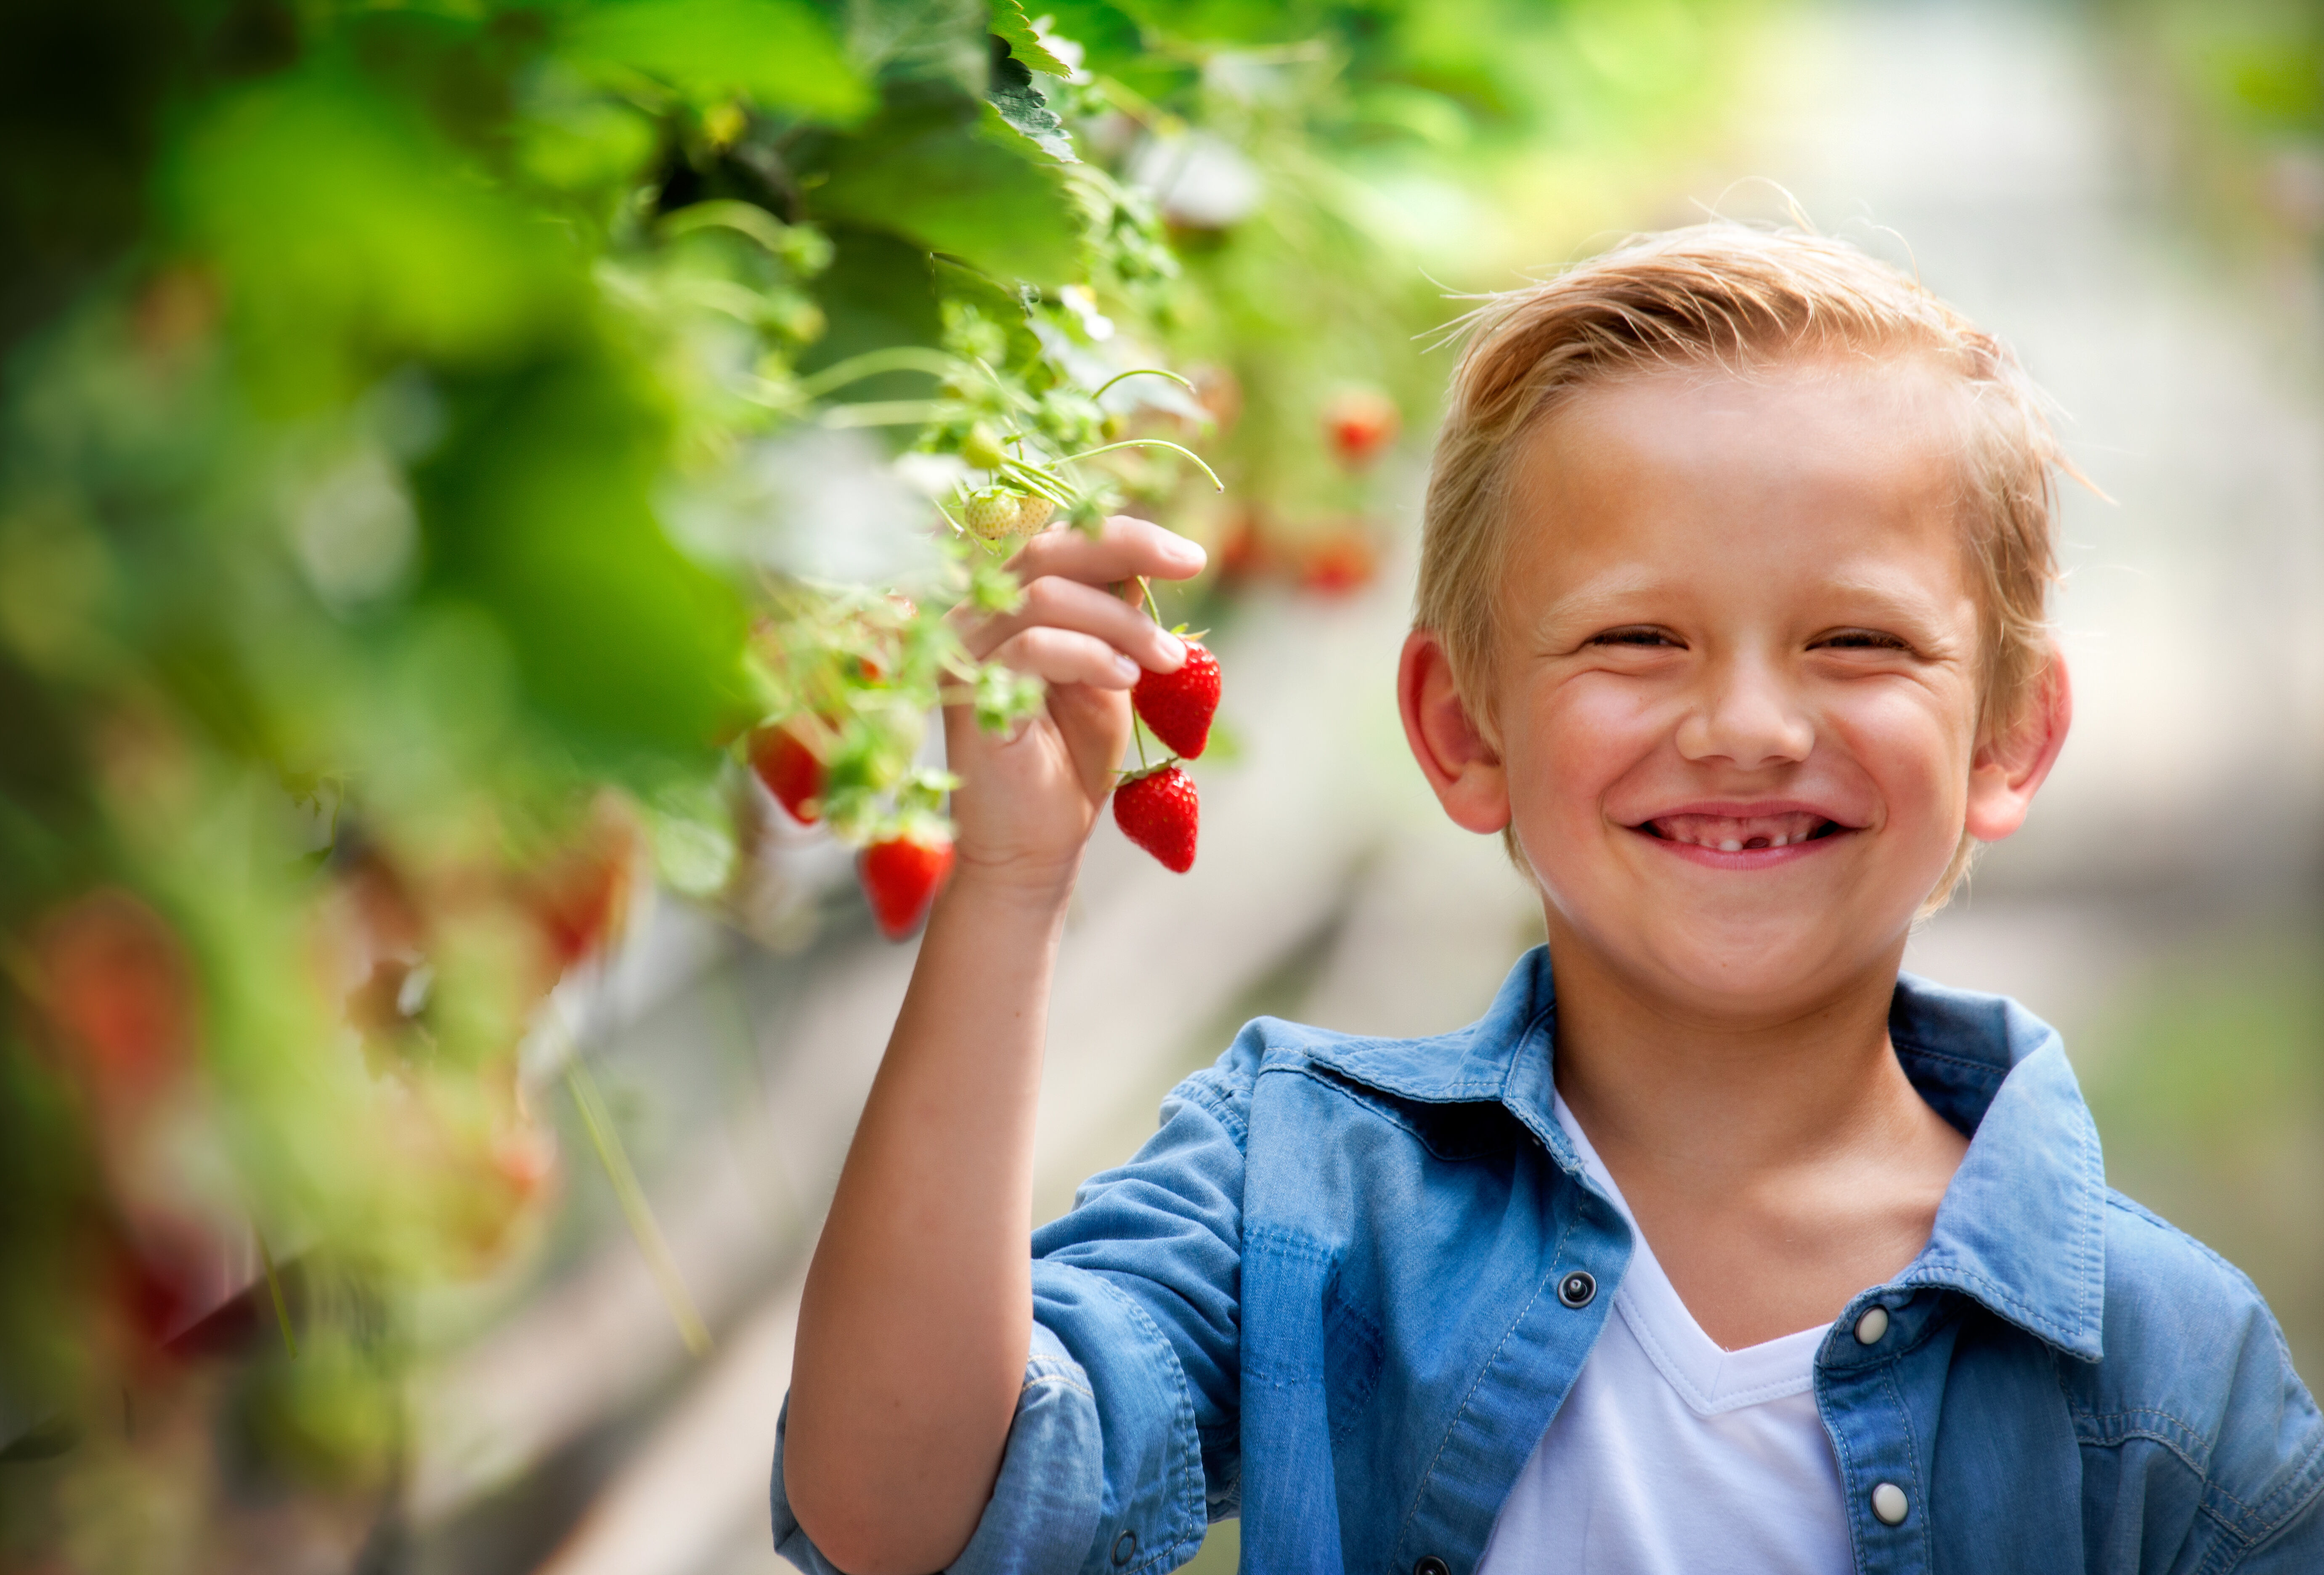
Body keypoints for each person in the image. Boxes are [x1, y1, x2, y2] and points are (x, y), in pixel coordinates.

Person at [770, 225, 2324, 1574]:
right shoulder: (1294, 1184)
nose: (1744, 727)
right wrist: (1010, 885)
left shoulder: (2173, 1371)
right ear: (1464, 731)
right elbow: (899, 1515)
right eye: (1636, 640)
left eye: (1855, 642)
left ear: (2007, 735)